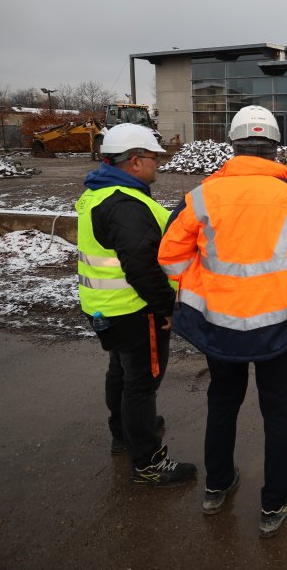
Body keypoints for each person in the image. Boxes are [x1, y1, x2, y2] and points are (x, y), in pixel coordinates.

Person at [158, 105, 287, 538]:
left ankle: (216, 486)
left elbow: (171, 258)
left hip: (219, 326)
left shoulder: (201, 197)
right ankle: (274, 504)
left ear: (233, 145)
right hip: (279, 326)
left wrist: (206, 289)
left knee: (222, 401)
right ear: (275, 148)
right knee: (278, 411)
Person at [75, 123, 196, 487]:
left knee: (122, 372)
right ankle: (147, 461)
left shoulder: (100, 193)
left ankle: (123, 435)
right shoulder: (124, 204)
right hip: (134, 308)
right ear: (135, 161)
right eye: (154, 157)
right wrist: (167, 309)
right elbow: (142, 268)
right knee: (142, 384)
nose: (158, 164)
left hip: (105, 306)